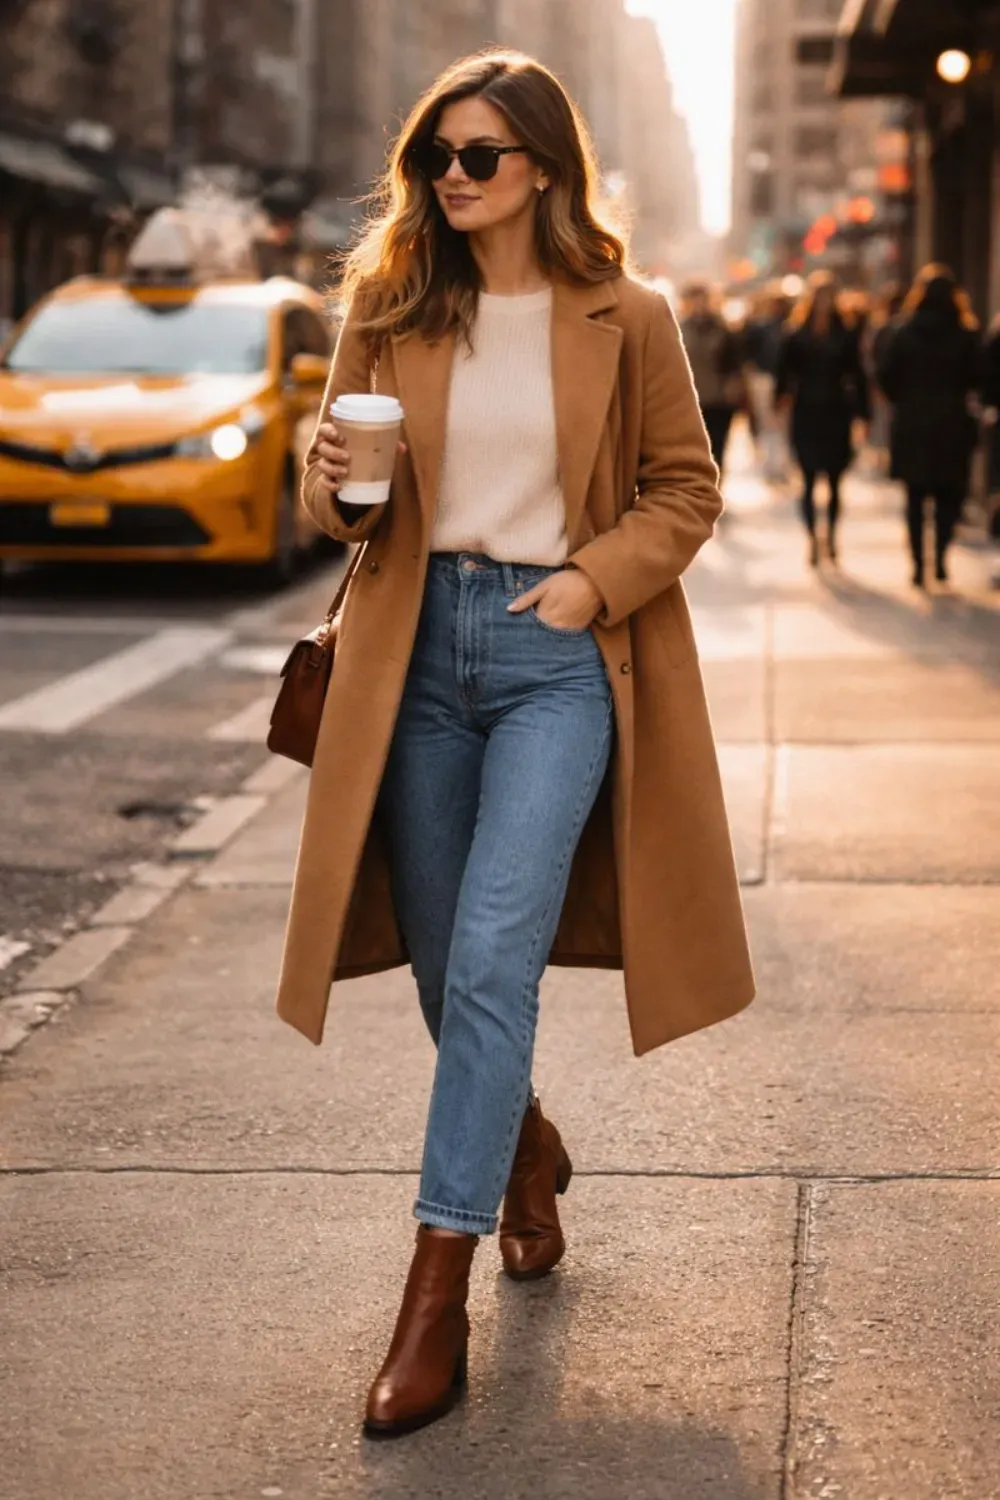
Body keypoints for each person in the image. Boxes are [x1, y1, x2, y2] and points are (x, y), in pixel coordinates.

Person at [277, 50, 755, 1439]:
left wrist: (593, 582)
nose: (452, 178)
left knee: (493, 955)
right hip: (415, 658)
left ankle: (435, 1295)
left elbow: (687, 488)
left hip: (557, 658)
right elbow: (350, 517)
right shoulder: (392, 303)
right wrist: (336, 491)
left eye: (480, 156)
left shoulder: (629, 313)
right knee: (445, 963)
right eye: (437, 155)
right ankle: (524, 1144)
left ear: (545, 167)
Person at [877, 264, 981, 588]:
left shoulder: (902, 331)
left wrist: (902, 400)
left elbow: (886, 375)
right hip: (951, 423)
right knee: (950, 494)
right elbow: (977, 378)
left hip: (912, 423)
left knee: (915, 497)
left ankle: (919, 564)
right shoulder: (965, 334)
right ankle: (941, 557)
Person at [776, 271, 870, 567]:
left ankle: (830, 535)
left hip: (835, 412)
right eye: (820, 296)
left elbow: (858, 375)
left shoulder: (846, 333)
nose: (824, 302)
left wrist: (862, 414)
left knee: (834, 480)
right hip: (806, 412)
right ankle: (813, 537)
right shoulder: (796, 333)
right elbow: (784, 373)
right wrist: (780, 404)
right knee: (806, 480)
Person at [678, 280, 745, 475]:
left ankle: (716, 488)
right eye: (695, 299)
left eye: (703, 299)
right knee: (693, 452)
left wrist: (734, 387)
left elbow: (735, 364)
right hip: (689, 401)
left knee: (717, 448)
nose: (699, 304)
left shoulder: (723, 330)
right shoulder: (678, 328)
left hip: (718, 399)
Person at [744, 284, 792, 481]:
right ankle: (772, 465)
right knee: (769, 424)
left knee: (780, 425)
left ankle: (780, 465)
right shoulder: (760, 327)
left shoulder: (790, 327)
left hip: (781, 380)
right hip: (764, 379)